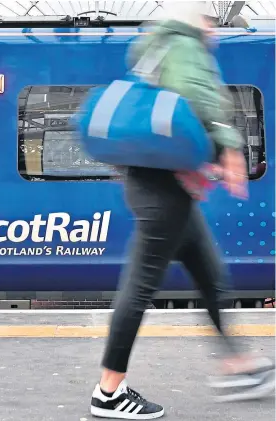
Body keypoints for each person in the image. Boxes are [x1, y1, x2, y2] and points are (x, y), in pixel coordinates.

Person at [89, 3, 275, 419]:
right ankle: (108, 392)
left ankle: (237, 364)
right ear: (197, 22)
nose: (214, 30)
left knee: (210, 275)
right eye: (209, 22)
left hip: (161, 183)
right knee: (138, 289)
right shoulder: (185, 46)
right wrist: (227, 145)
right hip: (163, 190)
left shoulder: (153, 47)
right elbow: (200, 95)